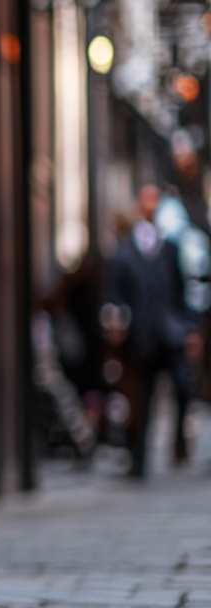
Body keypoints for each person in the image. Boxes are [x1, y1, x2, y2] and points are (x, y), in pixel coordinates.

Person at [104, 184, 203, 477]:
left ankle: (180, 443)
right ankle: (139, 458)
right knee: (142, 397)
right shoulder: (123, 252)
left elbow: (182, 292)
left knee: (183, 389)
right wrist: (115, 318)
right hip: (142, 336)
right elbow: (114, 295)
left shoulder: (171, 249)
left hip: (170, 333)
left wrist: (190, 328)